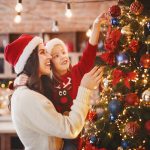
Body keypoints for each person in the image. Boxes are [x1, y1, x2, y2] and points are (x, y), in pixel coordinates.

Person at [4, 34, 103, 150]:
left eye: (63, 52)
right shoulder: (28, 97)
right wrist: (85, 88)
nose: (49, 57)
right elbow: (70, 128)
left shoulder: (37, 87)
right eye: (42, 52)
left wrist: (15, 82)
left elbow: (88, 56)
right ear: (30, 60)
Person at [45, 14, 105, 150]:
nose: (63, 56)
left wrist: (96, 27)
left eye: (63, 52)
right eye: (56, 55)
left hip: (82, 129)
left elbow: (90, 52)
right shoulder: (47, 82)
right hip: (62, 133)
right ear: (50, 62)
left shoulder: (77, 71)